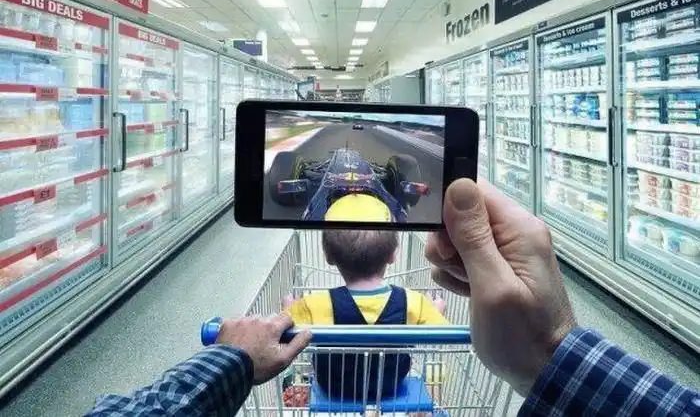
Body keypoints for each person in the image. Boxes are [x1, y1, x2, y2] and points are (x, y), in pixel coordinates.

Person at [85, 178, 700, 416]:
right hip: (397, 388)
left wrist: (265, 339)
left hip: (330, 393)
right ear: (393, 256)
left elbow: (282, 336)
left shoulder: (311, 308)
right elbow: (446, 335)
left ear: (328, 258)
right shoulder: (418, 306)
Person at [281, 229, 448, 401]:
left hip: (333, 386)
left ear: (328, 256)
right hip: (389, 385)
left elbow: (285, 329)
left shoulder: (315, 303)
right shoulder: (413, 301)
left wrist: (289, 307)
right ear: (392, 256)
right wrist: (436, 310)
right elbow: (441, 331)